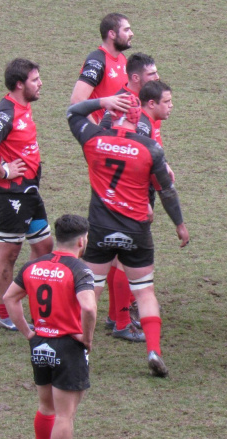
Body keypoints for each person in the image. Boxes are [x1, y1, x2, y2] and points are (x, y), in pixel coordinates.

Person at [66, 94, 189, 377]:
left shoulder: (94, 138)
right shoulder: (150, 148)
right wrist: (179, 224)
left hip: (100, 230)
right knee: (145, 292)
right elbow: (166, 191)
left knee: (89, 292)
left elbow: (73, 113)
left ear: (112, 115)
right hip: (136, 231)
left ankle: (79, 351)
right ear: (139, 119)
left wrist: (101, 102)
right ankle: (154, 351)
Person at [3, 214, 98, 439]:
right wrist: (86, 339)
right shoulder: (79, 270)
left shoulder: (33, 265)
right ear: (81, 242)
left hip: (40, 343)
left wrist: (28, 332)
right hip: (67, 346)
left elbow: (9, 298)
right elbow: (88, 307)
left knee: (46, 408)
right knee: (65, 415)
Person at [0, 58, 53, 331]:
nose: (40, 83)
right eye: (35, 80)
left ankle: (25, 299)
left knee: (44, 248)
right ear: (20, 84)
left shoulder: (23, 107)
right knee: (8, 254)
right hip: (10, 195)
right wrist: (4, 171)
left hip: (29, 193)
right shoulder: (6, 113)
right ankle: (5, 312)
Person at [96, 54, 162, 342]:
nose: (156, 79)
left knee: (115, 257)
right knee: (122, 257)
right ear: (135, 78)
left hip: (126, 189)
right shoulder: (126, 107)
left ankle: (116, 315)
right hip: (129, 192)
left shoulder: (142, 104)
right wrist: (144, 196)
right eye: (152, 74)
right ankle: (122, 320)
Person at [70, 13, 133, 123]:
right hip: (102, 134)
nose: (131, 34)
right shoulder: (97, 61)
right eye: (126, 30)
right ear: (112, 34)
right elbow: (77, 100)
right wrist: (95, 132)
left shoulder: (122, 58)